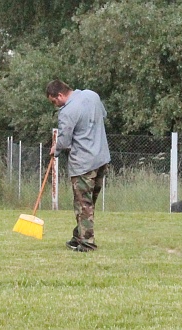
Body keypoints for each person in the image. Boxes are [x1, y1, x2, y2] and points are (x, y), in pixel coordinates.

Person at [46, 79, 111, 252]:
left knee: (83, 205)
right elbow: (101, 117)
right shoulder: (92, 95)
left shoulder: (67, 112)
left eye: (54, 101)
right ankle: (78, 236)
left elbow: (65, 140)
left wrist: (56, 149)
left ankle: (87, 244)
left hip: (83, 164)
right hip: (102, 159)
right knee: (88, 203)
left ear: (59, 95)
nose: (55, 106)